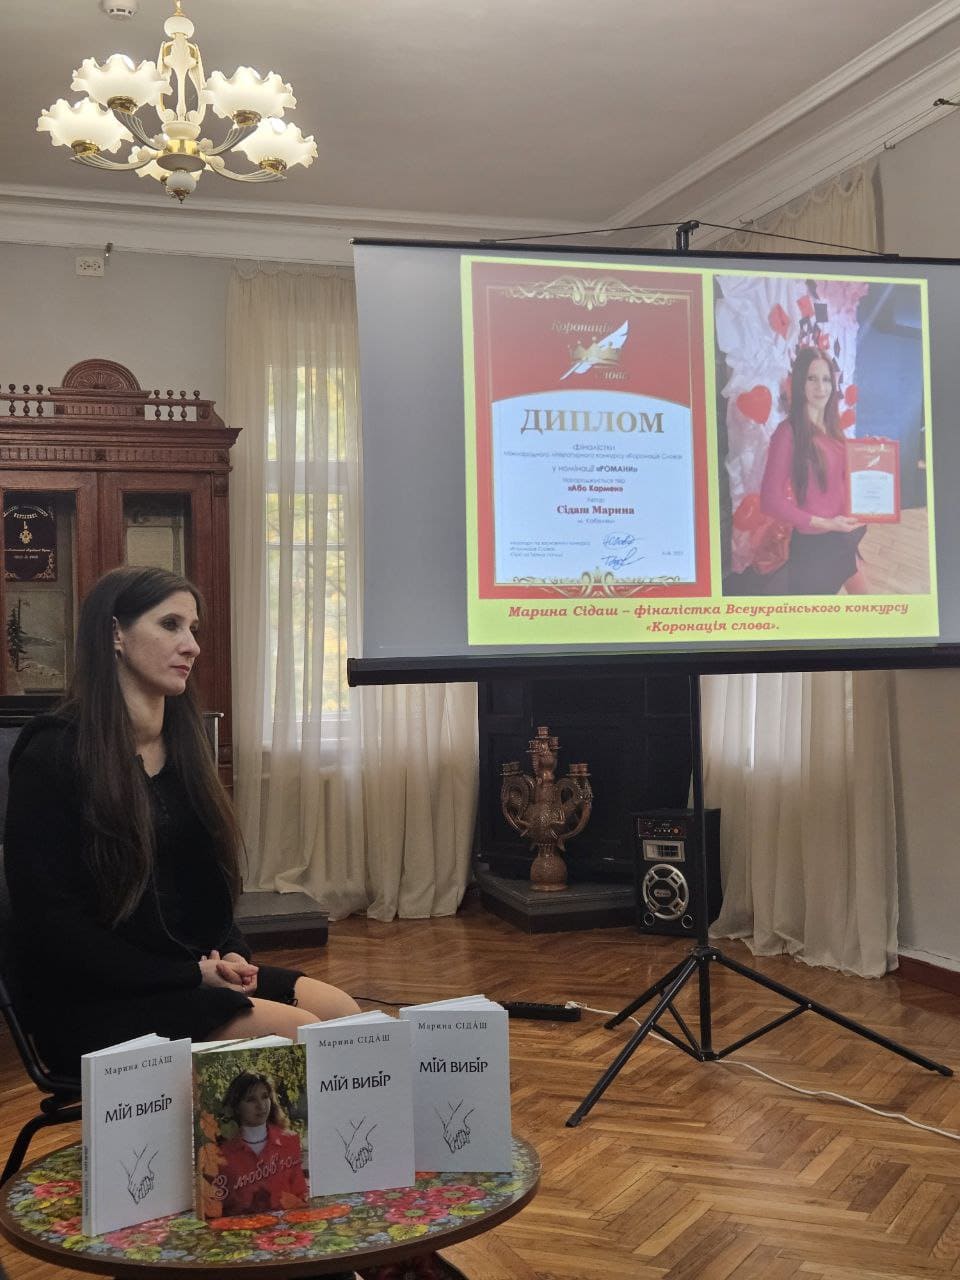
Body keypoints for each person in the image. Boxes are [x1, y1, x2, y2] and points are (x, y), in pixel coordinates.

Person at [3, 565, 359, 1074]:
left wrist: (231, 954)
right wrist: (190, 975)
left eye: (193, 629)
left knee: (347, 1019)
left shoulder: (185, 747)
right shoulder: (52, 752)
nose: (191, 645)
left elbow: (206, 890)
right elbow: (52, 924)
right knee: (300, 1036)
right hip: (95, 1000)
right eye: (170, 625)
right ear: (116, 633)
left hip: (188, 975)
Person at [760, 346, 869, 595]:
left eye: (826, 379)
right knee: (815, 618)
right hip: (815, 548)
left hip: (843, 537)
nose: (821, 387)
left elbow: (842, 479)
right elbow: (770, 500)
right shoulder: (787, 433)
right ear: (800, 383)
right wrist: (826, 523)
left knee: (870, 606)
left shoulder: (833, 428)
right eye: (812, 378)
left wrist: (876, 453)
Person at [211, 1071, 308, 1216]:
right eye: (251, 1099)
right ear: (236, 1106)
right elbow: (215, 1207)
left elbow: (300, 1195)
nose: (261, 1105)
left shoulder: (290, 1141)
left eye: (265, 1097)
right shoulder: (219, 1152)